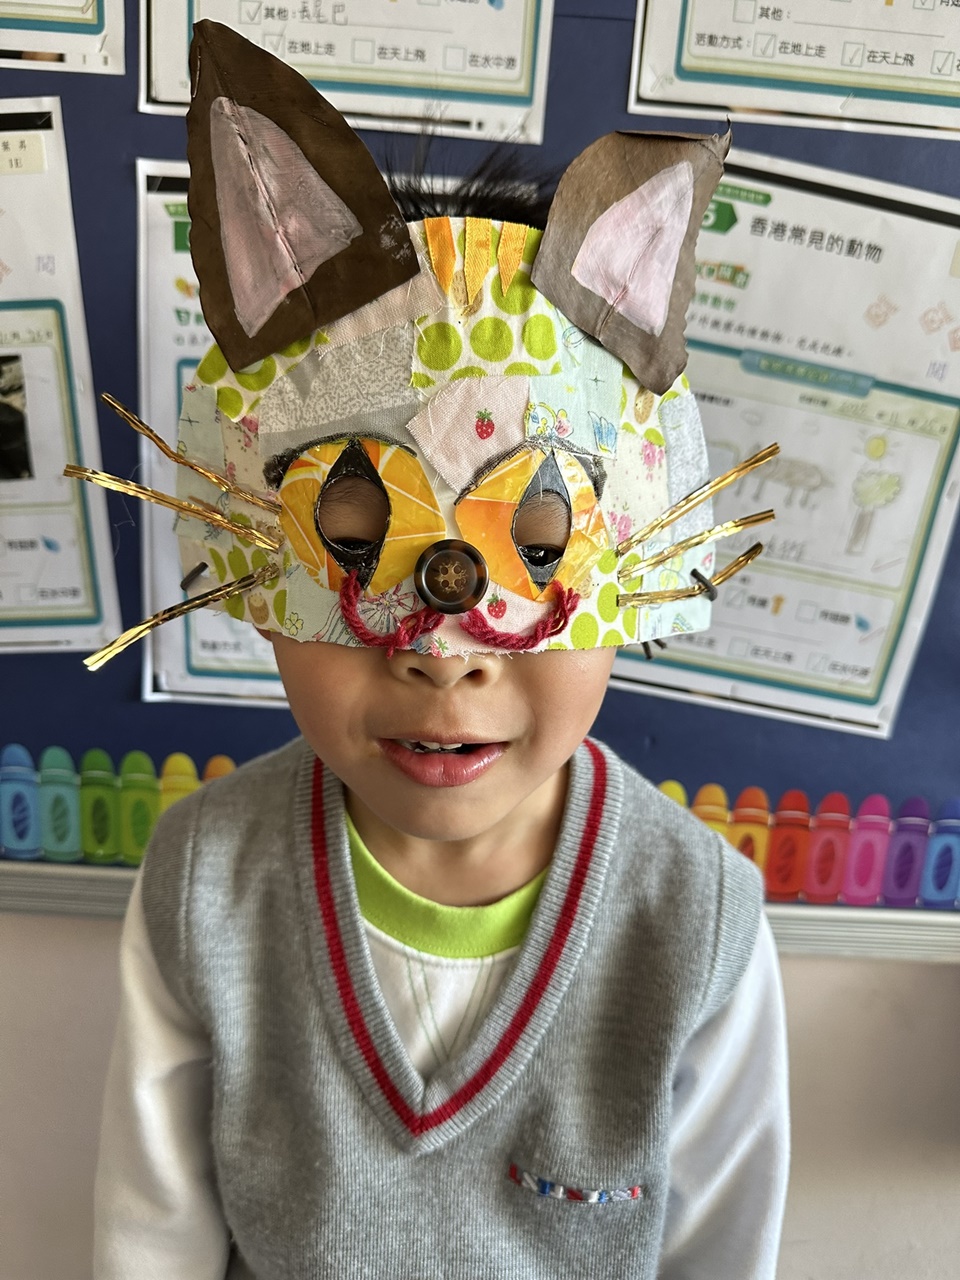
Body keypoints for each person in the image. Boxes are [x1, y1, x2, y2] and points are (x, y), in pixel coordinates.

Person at [89, 21, 788, 1279]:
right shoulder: (205, 883)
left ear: (624, 558)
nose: (446, 653)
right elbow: (147, 1239)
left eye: (540, 550)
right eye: (355, 548)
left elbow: (723, 1252)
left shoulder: (700, 921)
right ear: (263, 570)